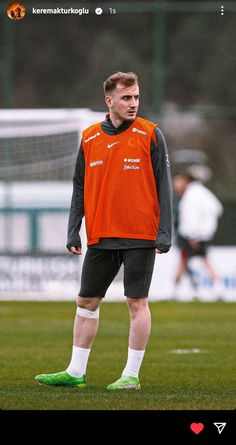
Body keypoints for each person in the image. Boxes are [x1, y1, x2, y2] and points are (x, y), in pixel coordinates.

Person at [35, 71, 172, 391]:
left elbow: (164, 185)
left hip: (140, 235)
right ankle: (75, 372)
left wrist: (165, 231)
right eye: (126, 98)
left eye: (136, 97)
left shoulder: (151, 134)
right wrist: (73, 229)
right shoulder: (89, 138)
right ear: (109, 101)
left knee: (136, 303)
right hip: (100, 235)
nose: (133, 103)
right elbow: (79, 188)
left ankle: (131, 375)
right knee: (86, 301)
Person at [173, 171, 223, 296]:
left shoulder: (192, 194)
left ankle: (176, 289)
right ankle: (176, 288)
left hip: (193, 235)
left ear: (186, 180)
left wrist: (194, 235)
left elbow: (191, 216)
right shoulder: (202, 191)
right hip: (202, 233)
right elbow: (218, 209)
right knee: (186, 259)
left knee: (192, 259)